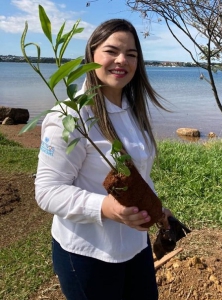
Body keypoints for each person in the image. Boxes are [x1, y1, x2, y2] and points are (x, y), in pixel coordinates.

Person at [35, 18, 172, 300]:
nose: (122, 60)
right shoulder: (70, 117)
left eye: (131, 54)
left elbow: (141, 175)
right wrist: (106, 208)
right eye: (111, 51)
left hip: (136, 247)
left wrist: (157, 209)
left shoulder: (133, 112)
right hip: (88, 253)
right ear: (91, 55)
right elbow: (47, 192)